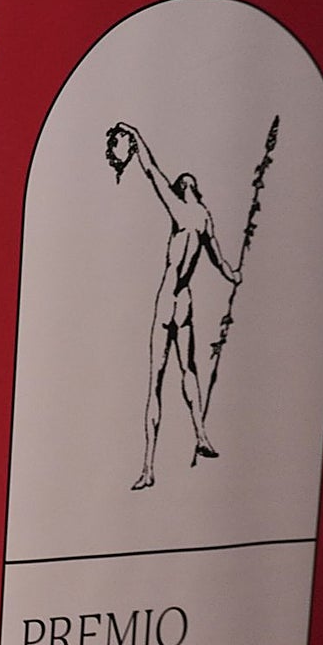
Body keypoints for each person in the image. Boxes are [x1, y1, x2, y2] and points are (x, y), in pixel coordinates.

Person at [111, 123, 241, 491]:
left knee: (178, 375)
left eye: (186, 180)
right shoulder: (197, 217)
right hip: (177, 300)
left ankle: (193, 439)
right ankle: (152, 464)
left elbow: (151, 169)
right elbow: (219, 261)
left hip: (175, 300)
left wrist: (134, 135)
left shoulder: (192, 215)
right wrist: (232, 274)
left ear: (189, 188)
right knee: (171, 377)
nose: (184, 179)